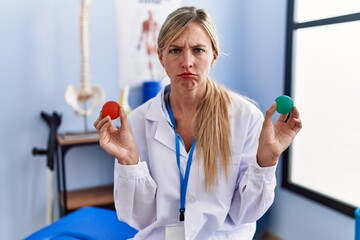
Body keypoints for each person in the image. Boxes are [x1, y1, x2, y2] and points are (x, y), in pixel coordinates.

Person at [94, 6, 302, 240]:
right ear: (161, 56)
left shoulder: (246, 118)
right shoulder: (138, 122)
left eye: (198, 50)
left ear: (213, 55)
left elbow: (245, 214)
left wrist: (267, 160)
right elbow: (141, 219)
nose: (187, 62)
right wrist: (129, 163)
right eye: (175, 50)